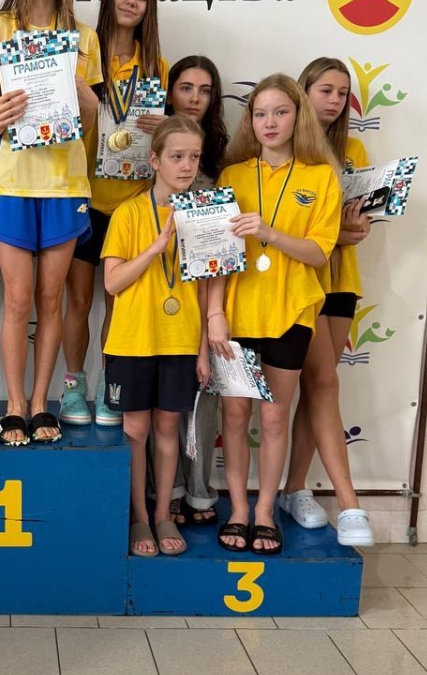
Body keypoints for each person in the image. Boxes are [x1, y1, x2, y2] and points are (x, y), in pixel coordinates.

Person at [0, 0, 101, 446]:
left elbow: (88, 124)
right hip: (11, 180)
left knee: (52, 300)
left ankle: (42, 402)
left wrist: (87, 100)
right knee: (19, 299)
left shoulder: (83, 38)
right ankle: (14, 406)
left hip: (65, 184)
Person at [208, 74, 342, 555]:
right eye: (260, 113)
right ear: (250, 119)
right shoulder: (233, 176)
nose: (269, 122)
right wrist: (215, 312)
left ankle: (265, 511)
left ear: (298, 116)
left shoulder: (320, 177)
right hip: (238, 315)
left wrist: (269, 233)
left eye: (280, 112)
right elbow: (217, 254)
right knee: (234, 414)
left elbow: (319, 252)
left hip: (290, 314)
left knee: (273, 418)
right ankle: (238, 511)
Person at [60, 0, 168, 429]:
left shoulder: (156, 66)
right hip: (82, 196)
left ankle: (110, 384)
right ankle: (72, 387)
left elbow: (169, 142)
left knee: (117, 303)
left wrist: (166, 127)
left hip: (131, 203)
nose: (132, 1)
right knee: (79, 301)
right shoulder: (84, 52)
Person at [102, 116, 209, 556]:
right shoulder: (128, 213)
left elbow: (206, 288)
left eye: (194, 157)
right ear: (155, 160)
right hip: (133, 341)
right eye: (177, 156)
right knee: (136, 429)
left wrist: (203, 351)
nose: (186, 166)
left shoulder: (202, 215)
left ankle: (164, 512)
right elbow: (112, 283)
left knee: (168, 427)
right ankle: (139, 518)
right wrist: (154, 248)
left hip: (180, 340)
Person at [281, 57, 374, 545]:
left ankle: (295, 488)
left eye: (343, 93)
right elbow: (294, 227)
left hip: (341, 279)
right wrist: (335, 233)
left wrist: (354, 229)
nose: (335, 101)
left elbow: (356, 223)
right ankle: (348, 501)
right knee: (323, 381)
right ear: (304, 92)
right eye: (326, 91)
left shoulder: (353, 149)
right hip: (299, 279)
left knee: (318, 386)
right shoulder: (285, 148)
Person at [159, 55, 229, 527]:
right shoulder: (150, 149)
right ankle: (164, 492)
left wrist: (212, 318)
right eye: (186, 87)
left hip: (204, 296)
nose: (195, 98)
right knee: (158, 410)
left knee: (203, 396)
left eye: (205, 90)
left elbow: (220, 253)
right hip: (153, 302)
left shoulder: (221, 164)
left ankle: (200, 493)